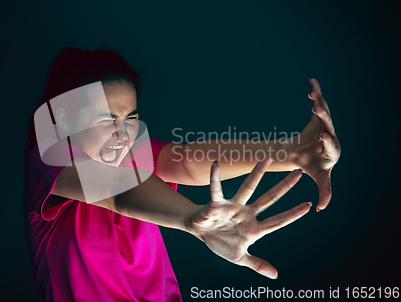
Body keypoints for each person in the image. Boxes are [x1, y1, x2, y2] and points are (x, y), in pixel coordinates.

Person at [23, 47, 341, 301]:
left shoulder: (135, 154)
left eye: (131, 117)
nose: (122, 134)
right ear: (64, 120)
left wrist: (295, 153)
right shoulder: (49, 160)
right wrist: (194, 219)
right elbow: (120, 191)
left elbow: (189, 161)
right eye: (106, 120)